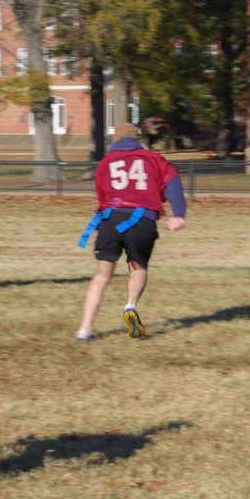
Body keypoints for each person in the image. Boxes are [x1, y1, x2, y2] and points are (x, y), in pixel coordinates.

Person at [75, 123, 187, 342]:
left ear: (115, 140)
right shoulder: (155, 159)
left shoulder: (107, 162)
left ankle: (84, 329)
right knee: (137, 267)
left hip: (111, 219)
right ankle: (130, 305)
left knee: (101, 275)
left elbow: (102, 193)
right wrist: (179, 214)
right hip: (142, 220)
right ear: (137, 139)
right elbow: (173, 183)